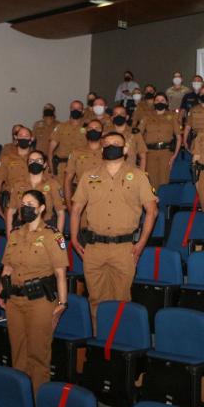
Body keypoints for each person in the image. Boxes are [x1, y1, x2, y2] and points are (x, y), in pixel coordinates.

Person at [70, 132, 158, 323]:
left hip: (124, 248)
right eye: (107, 144)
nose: (111, 146)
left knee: (121, 302)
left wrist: (141, 244)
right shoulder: (88, 176)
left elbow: (152, 211)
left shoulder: (138, 175)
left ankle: (118, 345)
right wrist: (74, 238)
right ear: (102, 148)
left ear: (125, 149)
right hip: (94, 249)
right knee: (95, 301)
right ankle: (99, 345)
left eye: (116, 143)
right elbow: (76, 209)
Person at [0, 190, 68, 393]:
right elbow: (7, 267)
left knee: (38, 355)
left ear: (42, 208)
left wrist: (62, 304)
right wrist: (2, 291)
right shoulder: (15, 234)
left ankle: (38, 402)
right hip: (15, 300)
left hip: (40, 302)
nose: (25, 207)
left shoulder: (52, 235)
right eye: (23, 203)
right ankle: (21, 400)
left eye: (30, 204)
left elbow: (60, 273)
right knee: (18, 353)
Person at [6, 150, 65, 233]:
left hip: (46, 227)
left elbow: (60, 212)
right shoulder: (18, 184)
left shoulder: (53, 184)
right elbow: (11, 211)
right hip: (22, 227)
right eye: (31, 161)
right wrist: (9, 235)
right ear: (28, 164)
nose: (35, 163)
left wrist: (58, 237)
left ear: (44, 164)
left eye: (39, 160)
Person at [138, 93, 182, 188]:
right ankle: (153, 202)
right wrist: (142, 153)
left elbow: (179, 138)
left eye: (162, 100)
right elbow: (138, 135)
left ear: (166, 103)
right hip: (150, 153)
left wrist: (174, 156)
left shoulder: (172, 116)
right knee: (151, 181)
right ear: (154, 102)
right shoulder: (147, 116)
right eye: (157, 100)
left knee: (164, 181)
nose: (159, 102)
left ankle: (163, 202)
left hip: (166, 153)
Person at [64, 121, 105, 216]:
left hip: (105, 201)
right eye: (90, 128)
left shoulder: (109, 151)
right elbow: (67, 181)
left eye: (97, 128)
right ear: (86, 132)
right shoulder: (76, 152)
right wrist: (70, 207)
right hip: (83, 203)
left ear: (102, 132)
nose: (93, 130)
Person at [0, 127, 35, 220]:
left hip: (31, 202)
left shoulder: (36, 158)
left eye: (26, 136)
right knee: (12, 233)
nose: (23, 138)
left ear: (31, 139)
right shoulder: (6, 158)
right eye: (20, 136)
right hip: (11, 202)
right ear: (16, 138)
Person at [48, 100, 87, 184]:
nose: (75, 110)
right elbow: (50, 151)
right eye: (73, 108)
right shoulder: (61, 127)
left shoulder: (88, 127)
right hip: (63, 168)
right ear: (70, 109)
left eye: (79, 108)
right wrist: (52, 171)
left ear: (83, 111)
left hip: (81, 167)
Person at [107, 104, 147, 168]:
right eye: (116, 114)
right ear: (112, 118)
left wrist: (142, 174)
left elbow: (143, 157)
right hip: (110, 170)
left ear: (127, 117)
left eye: (122, 113)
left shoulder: (135, 133)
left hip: (130, 172)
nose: (119, 115)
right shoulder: (106, 133)